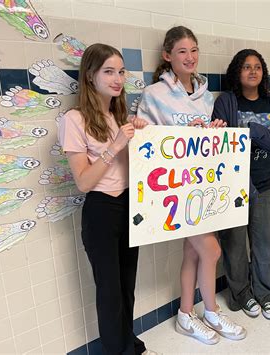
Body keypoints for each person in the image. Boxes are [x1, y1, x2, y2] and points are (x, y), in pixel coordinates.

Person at [137, 26, 246, 345]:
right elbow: (145, 142)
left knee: (193, 253)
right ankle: (211, 311)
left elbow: (205, 145)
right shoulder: (153, 94)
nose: (190, 57)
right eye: (182, 51)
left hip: (201, 187)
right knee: (211, 249)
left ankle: (186, 314)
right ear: (167, 56)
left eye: (194, 50)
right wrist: (180, 132)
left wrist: (212, 130)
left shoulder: (206, 95)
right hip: (174, 190)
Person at [58, 43, 153, 354]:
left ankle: (129, 345)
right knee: (109, 291)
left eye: (121, 72)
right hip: (101, 210)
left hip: (129, 205)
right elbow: (84, 181)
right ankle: (116, 349)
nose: (117, 78)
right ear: (90, 76)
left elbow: (135, 164)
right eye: (109, 71)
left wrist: (141, 134)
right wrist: (115, 145)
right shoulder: (74, 119)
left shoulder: (118, 115)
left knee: (127, 285)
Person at [213, 49, 270, 320]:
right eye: (246, 67)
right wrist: (261, 138)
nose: (252, 71)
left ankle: (267, 294)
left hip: (267, 185)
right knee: (234, 245)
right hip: (234, 186)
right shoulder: (226, 101)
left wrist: (254, 131)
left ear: (263, 72)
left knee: (266, 243)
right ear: (237, 71)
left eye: (257, 66)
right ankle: (242, 295)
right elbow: (223, 142)